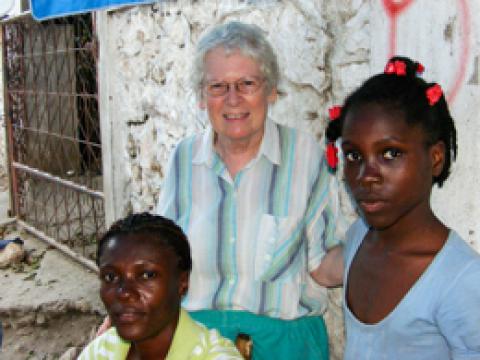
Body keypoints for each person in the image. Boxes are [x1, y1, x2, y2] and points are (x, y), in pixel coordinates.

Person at [155, 21, 345, 359]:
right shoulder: (183, 159)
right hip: (196, 346)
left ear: (270, 90)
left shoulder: (304, 156)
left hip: (283, 346)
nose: (233, 99)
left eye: (247, 83)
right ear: (202, 96)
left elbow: (323, 266)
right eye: (218, 86)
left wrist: (381, 240)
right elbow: (161, 259)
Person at [325, 56, 480, 359]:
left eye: (390, 153)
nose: (367, 176)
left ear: (435, 158)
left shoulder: (460, 280)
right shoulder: (359, 239)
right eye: (354, 156)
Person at [79, 213, 242, 359]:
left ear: (182, 283)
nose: (124, 293)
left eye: (147, 275)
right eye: (111, 277)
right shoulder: (100, 352)